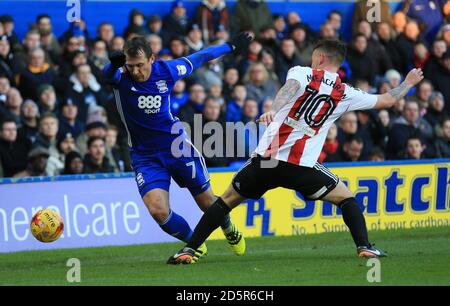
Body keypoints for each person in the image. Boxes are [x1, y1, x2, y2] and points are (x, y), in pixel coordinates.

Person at [168, 39, 425, 264]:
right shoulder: (346, 93)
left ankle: (189, 249)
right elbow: (388, 99)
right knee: (347, 199)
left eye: (314, 56)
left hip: (267, 162)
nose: (311, 60)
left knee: (225, 201)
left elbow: (287, 90)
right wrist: (408, 82)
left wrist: (272, 108)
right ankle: (364, 247)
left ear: (321, 57)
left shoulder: (302, 72)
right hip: (302, 168)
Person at [102, 33, 252, 260]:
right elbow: (107, 74)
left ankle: (229, 228)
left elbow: (200, 56)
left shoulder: (168, 70)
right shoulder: (120, 77)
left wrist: (230, 46)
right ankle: (195, 244)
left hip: (177, 148)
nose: (135, 71)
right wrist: (113, 65)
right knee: (158, 211)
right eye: (130, 66)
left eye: (140, 65)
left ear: (152, 59)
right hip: (145, 156)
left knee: (207, 203)